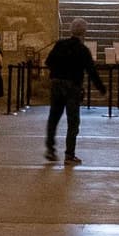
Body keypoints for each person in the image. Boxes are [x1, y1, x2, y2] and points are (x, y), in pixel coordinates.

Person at [43, 22, 102, 165]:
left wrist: (57, 73)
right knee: (73, 121)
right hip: (73, 87)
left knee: (54, 118)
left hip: (57, 84)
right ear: (84, 33)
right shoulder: (83, 50)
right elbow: (91, 71)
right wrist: (101, 88)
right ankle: (69, 155)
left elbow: (48, 62)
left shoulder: (60, 45)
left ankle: (50, 149)